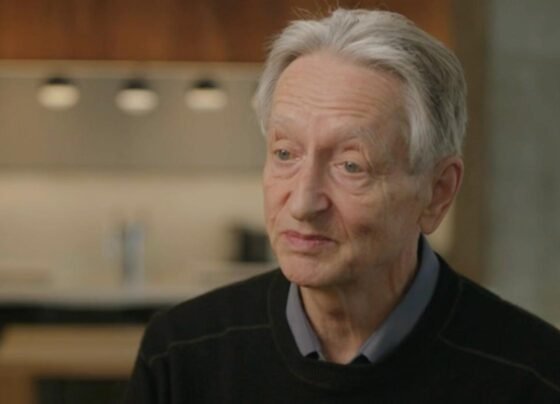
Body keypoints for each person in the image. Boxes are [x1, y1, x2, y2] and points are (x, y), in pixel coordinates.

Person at [124, 9, 560, 403]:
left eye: (351, 165)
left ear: (438, 191)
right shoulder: (181, 356)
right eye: (285, 154)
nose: (303, 202)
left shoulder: (535, 376)